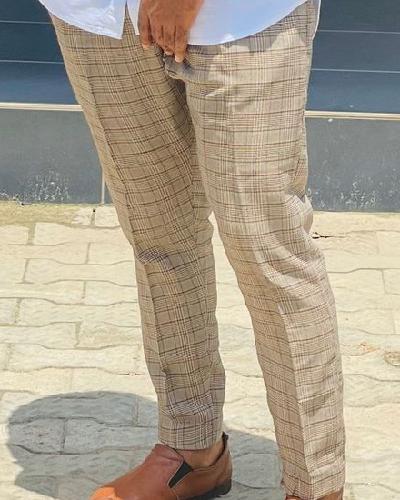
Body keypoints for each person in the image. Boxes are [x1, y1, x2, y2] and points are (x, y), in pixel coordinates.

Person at [38, 0, 345, 498]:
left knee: (268, 250)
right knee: (160, 241)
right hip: (100, 18)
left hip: (245, 17)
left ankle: (316, 484)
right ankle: (192, 451)